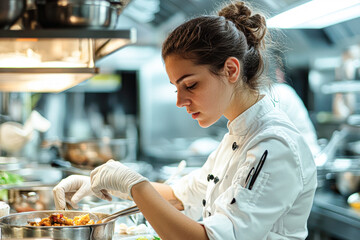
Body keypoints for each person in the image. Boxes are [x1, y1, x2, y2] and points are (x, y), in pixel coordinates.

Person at [53, 1, 317, 239]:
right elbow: (181, 197)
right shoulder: (236, 137)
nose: (180, 101)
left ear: (231, 70)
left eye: (190, 85)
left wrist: (135, 185)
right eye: (175, 87)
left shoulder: (273, 146)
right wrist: (98, 181)